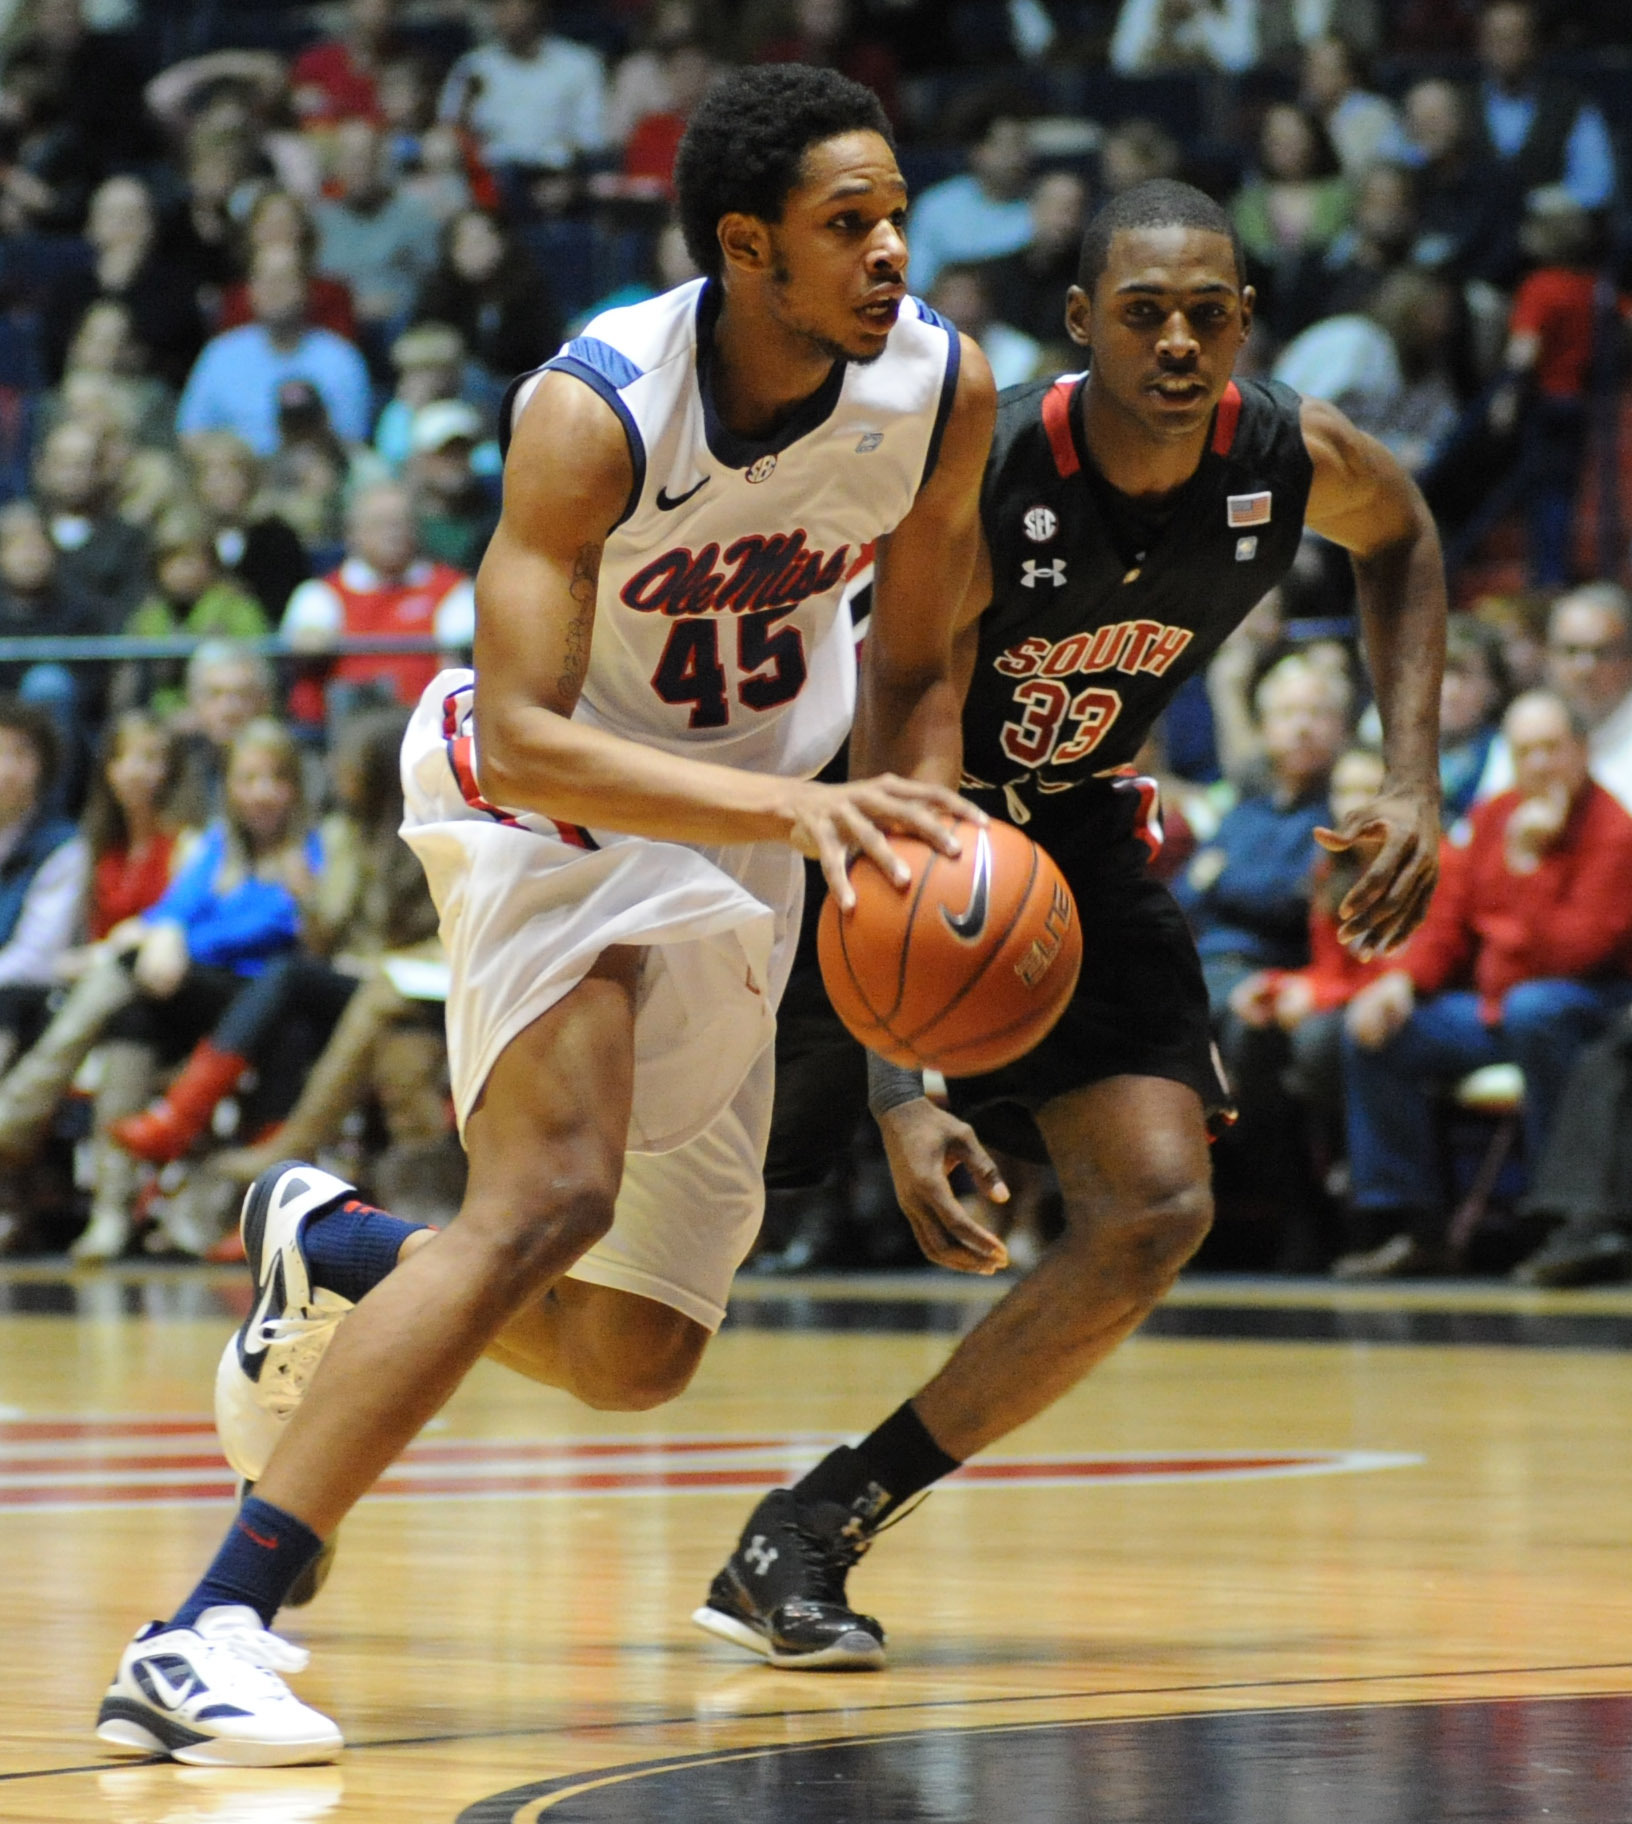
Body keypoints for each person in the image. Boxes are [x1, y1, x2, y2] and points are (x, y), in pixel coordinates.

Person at [96, 63, 996, 1763]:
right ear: (746, 248)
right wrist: (799, 805)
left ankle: (339, 1242)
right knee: (548, 1195)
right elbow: (522, 726)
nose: (891, 253)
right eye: (846, 225)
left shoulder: (941, 385)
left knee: (640, 1351)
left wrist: (912, 931)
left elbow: (922, 663)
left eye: (896, 215)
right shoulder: (592, 409)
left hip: (753, 821)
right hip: (552, 794)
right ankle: (206, 1623)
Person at [697, 178, 1444, 1668]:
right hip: (871, 829)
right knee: (639, 1292)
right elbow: (897, 724)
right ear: (1082, 323)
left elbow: (1408, 537)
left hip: (1075, 833)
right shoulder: (987, 475)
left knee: (1155, 1209)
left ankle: (820, 1518)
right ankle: (354, 1261)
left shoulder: (1289, 458)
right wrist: (903, 1093)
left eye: (1210, 314)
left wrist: (1415, 778)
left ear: (1245, 322)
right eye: (1149, 314)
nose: (1181, 344)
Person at [1337, 689, 1632, 1277]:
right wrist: (1401, 982)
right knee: (1381, 1030)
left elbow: (1574, 953)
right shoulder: (1493, 816)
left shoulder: (1614, 831)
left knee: (1536, 1011)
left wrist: (1528, 865)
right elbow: (1446, 917)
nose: (1540, 764)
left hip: (1590, 1007)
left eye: (1552, 748)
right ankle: (1409, 1222)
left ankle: (1561, 1221)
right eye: (1526, 751)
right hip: (1500, 1008)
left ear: (1581, 751)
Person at [176, 245, 374, 457]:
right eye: (263, 280)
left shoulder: (341, 358)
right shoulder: (220, 355)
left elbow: (352, 442)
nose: (274, 290)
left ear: (307, 288)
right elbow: (191, 434)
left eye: (284, 280)